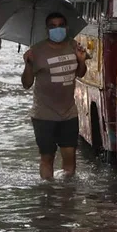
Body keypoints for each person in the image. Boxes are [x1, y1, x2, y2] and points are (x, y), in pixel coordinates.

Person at [21, 12, 88, 180]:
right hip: (44, 115)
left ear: (66, 28)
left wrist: (81, 61)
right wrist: (28, 64)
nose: (57, 29)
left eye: (60, 25)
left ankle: (65, 198)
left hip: (68, 113)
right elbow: (26, 84)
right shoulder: (36, 51)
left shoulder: (74, 46)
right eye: (52, 26)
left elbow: (80, 74)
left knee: (70, 156)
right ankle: (48, 195)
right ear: (47, 29)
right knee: (47, 157)